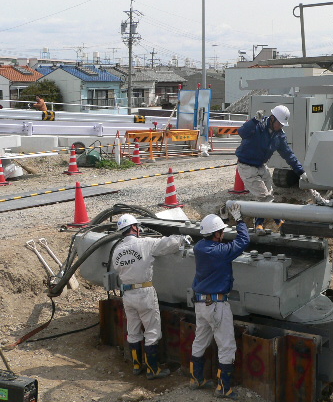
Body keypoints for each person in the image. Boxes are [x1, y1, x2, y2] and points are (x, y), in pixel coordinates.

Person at [112, 214, 183, 380]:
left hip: (127, 294)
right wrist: (181, 238)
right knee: (151, 330)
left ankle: (137, 365)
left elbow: (117, 268)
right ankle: (153, 369)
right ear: (135, 228)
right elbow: (168, 244)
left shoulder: (117, 250)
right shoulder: (145, 243)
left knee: (133, 329)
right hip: (144, 292)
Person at [189, 203, 249, 398]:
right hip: (217, 305)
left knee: (200, 341)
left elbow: (216, 240)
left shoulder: (199, 248)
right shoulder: (221, 252)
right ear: (217, 234)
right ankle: (224, 388)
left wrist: (222, 221)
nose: (223, 234)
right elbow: (243, 241)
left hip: (200, 304)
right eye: (221, 231)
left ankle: (196, 379)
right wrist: (239, 220)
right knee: (226, 346)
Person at [235, 105, 307, 235]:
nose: (281, 126)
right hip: (246, 166)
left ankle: (259, 225)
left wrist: (301, 172)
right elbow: (242, 132)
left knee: (267, 195)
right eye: (279, 123)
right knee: (264, 197)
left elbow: (289, 155)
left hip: (261, 166)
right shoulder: (258, 125)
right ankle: (279, 222)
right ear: (272, 118)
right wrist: (254, 120)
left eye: (283, 124)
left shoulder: (279, 136)